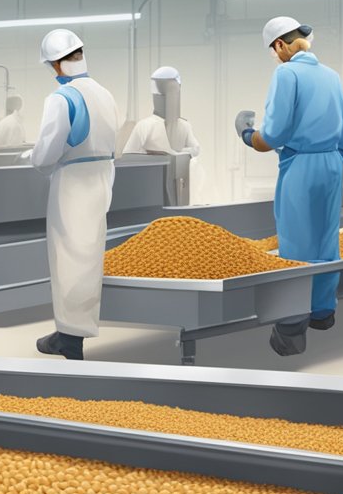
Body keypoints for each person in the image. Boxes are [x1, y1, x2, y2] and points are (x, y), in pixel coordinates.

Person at [234, 16, 343, 357]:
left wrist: (246, 134)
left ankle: (290, 330)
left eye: (274, 51)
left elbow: (275, 133)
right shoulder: (332, 76)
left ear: (281, 45)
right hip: (332, 163)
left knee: (297, 243)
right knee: (326, 239)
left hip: (300, 165)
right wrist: (333, 160)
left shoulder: (286, 74)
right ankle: (323, 313)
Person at [28, 29, 119, 361]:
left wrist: (34, 158)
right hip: (102, 178)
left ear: (55, 64)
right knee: (88, 257)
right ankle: (70, 330)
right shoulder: (104, 93)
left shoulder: (61, 98)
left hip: (73, 181)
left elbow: (47, 153)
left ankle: (70, 339)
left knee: (67, 257)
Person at [122, 66, 208, 204]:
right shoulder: (145, 126)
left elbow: (196, 149)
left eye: (173, 90)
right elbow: (128, 158)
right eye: (165, 91)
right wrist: (152, 157)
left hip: (178, 187)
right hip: (151, 189)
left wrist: (178, 153)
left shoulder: (184, 125)